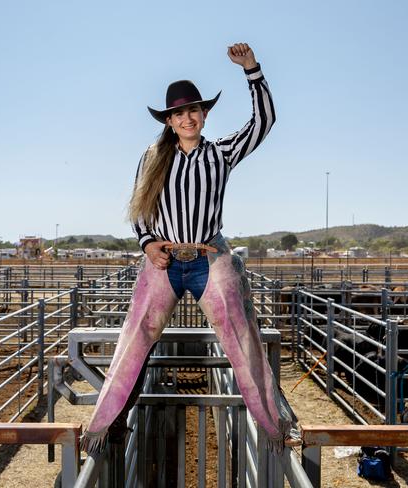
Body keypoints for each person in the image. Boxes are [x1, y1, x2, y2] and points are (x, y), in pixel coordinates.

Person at [81, 43, 298, 455]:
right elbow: (140, 209)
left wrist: (252, 69)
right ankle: (109, 425)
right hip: (164, 259)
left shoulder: (222, 153)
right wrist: (148, 245)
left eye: (194, 110)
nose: (188, 117)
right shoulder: (153, 156)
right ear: (169, 120)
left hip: (208, 258)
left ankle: (274, 427)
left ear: (205, 114)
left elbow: (264, 120)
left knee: (240, 334)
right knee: (136, 336)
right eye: (179, 113)